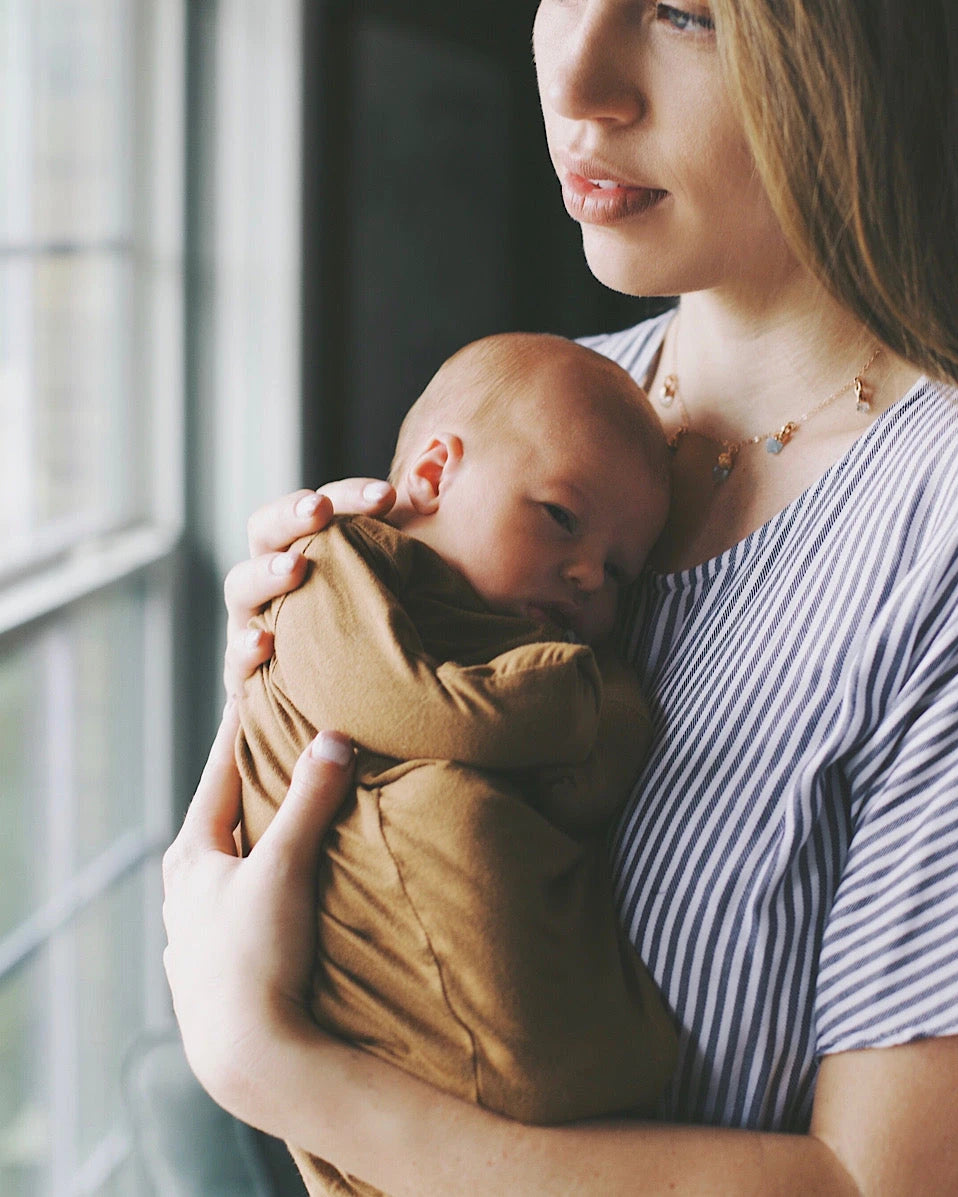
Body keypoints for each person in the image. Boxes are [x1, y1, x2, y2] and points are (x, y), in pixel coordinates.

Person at [162, 0, 958, 1197]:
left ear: (887, 36)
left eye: (684, 7)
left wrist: (273, 1067)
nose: (578, 79)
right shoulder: (575, 409)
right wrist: (310, 703)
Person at [235, 332, 676, 1197]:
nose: (588, 573)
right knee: (450, 808)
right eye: (559, 515)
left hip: (528, 1105)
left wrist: (591, 713)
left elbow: (587, 790)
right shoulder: (336, 562)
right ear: (434, 473)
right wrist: (575, 707)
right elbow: (409, 707)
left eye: (620, 570)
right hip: (376, 979)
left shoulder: (534, 652)